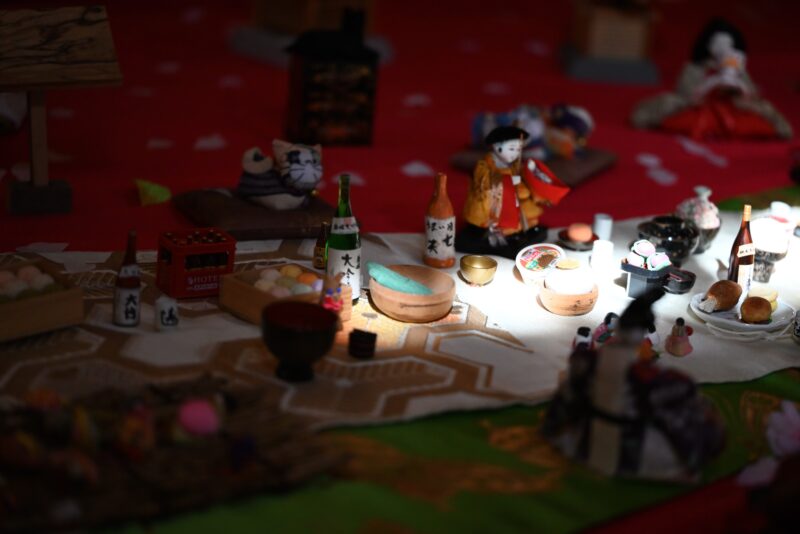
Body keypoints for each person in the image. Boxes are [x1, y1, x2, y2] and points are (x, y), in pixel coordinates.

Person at [631, 18, 792, 140]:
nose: (722, 47)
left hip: (733, 109)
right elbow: (685, 92)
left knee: (764, 109)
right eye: (717, 42)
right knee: (668, 103)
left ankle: (781, 130)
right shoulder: (697, 65)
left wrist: (735, 83)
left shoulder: (737, 64)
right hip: (700, 107)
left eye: (727, 43)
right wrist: (709, 85)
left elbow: (749, 93)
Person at [456, 126, 553, 259]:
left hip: (513, 203)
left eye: (518, 149)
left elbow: (522, 184)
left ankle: (516, 230)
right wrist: (509, 180)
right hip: (493, 205)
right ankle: (496, 234)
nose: (515, 154)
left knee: (526, 209)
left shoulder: (512, 165)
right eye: (512, 149)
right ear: (497, 147)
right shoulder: (484, 166)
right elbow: (486, 184)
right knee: (497, 221)